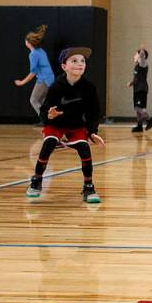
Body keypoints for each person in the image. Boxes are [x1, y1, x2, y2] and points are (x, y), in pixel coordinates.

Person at [25, 46, 105, 203]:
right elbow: (44, 110)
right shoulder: (56, 86)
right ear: (64, 66)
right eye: (74, 61)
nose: (80, 64)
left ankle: (88, 187)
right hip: (56, 125)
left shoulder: (89, 88)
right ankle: (36, 180)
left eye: (82, 61)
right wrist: (48, 115)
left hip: (76, 126)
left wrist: (92, 132)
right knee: (48, 144)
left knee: (84, 148)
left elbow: (94, 113)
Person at [14, 24, 55, 124]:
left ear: (28, 43)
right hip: (50, 78)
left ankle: (45, 120)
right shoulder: (41, 51)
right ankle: (49, 119)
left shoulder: (33, 54)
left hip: (44, 79)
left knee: (34, 100)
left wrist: (22, 82)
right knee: (42, 100)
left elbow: (34, 72)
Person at [130, 47, 152, 133]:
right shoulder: (136, 67)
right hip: (136, 89)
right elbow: (136, 78)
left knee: (138, 107)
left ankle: (149, 120)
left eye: (135, 55)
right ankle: (139, 126)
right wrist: (131, 83)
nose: (133, 56)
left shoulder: (143, 64)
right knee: (138, 108)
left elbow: (142, 57)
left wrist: (141, 50)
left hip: (141, 89)